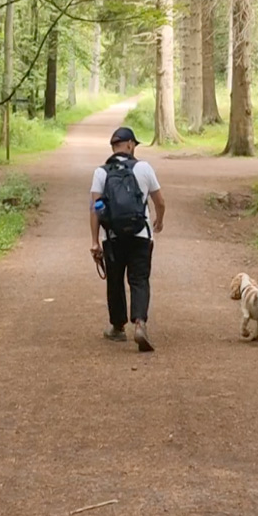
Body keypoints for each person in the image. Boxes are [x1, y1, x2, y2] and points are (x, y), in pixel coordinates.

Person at [90, 126, 166, 352]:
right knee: (139, 279)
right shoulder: (143, 167)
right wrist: (159, 221)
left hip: (113, 237)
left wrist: (95, 241)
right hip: (140, 234)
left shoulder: (101, 172)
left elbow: (96, 208)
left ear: (114, 147)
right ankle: (140, 323)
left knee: (115, 281)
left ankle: (117, 328)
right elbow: (160, 201)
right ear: (130, 145)